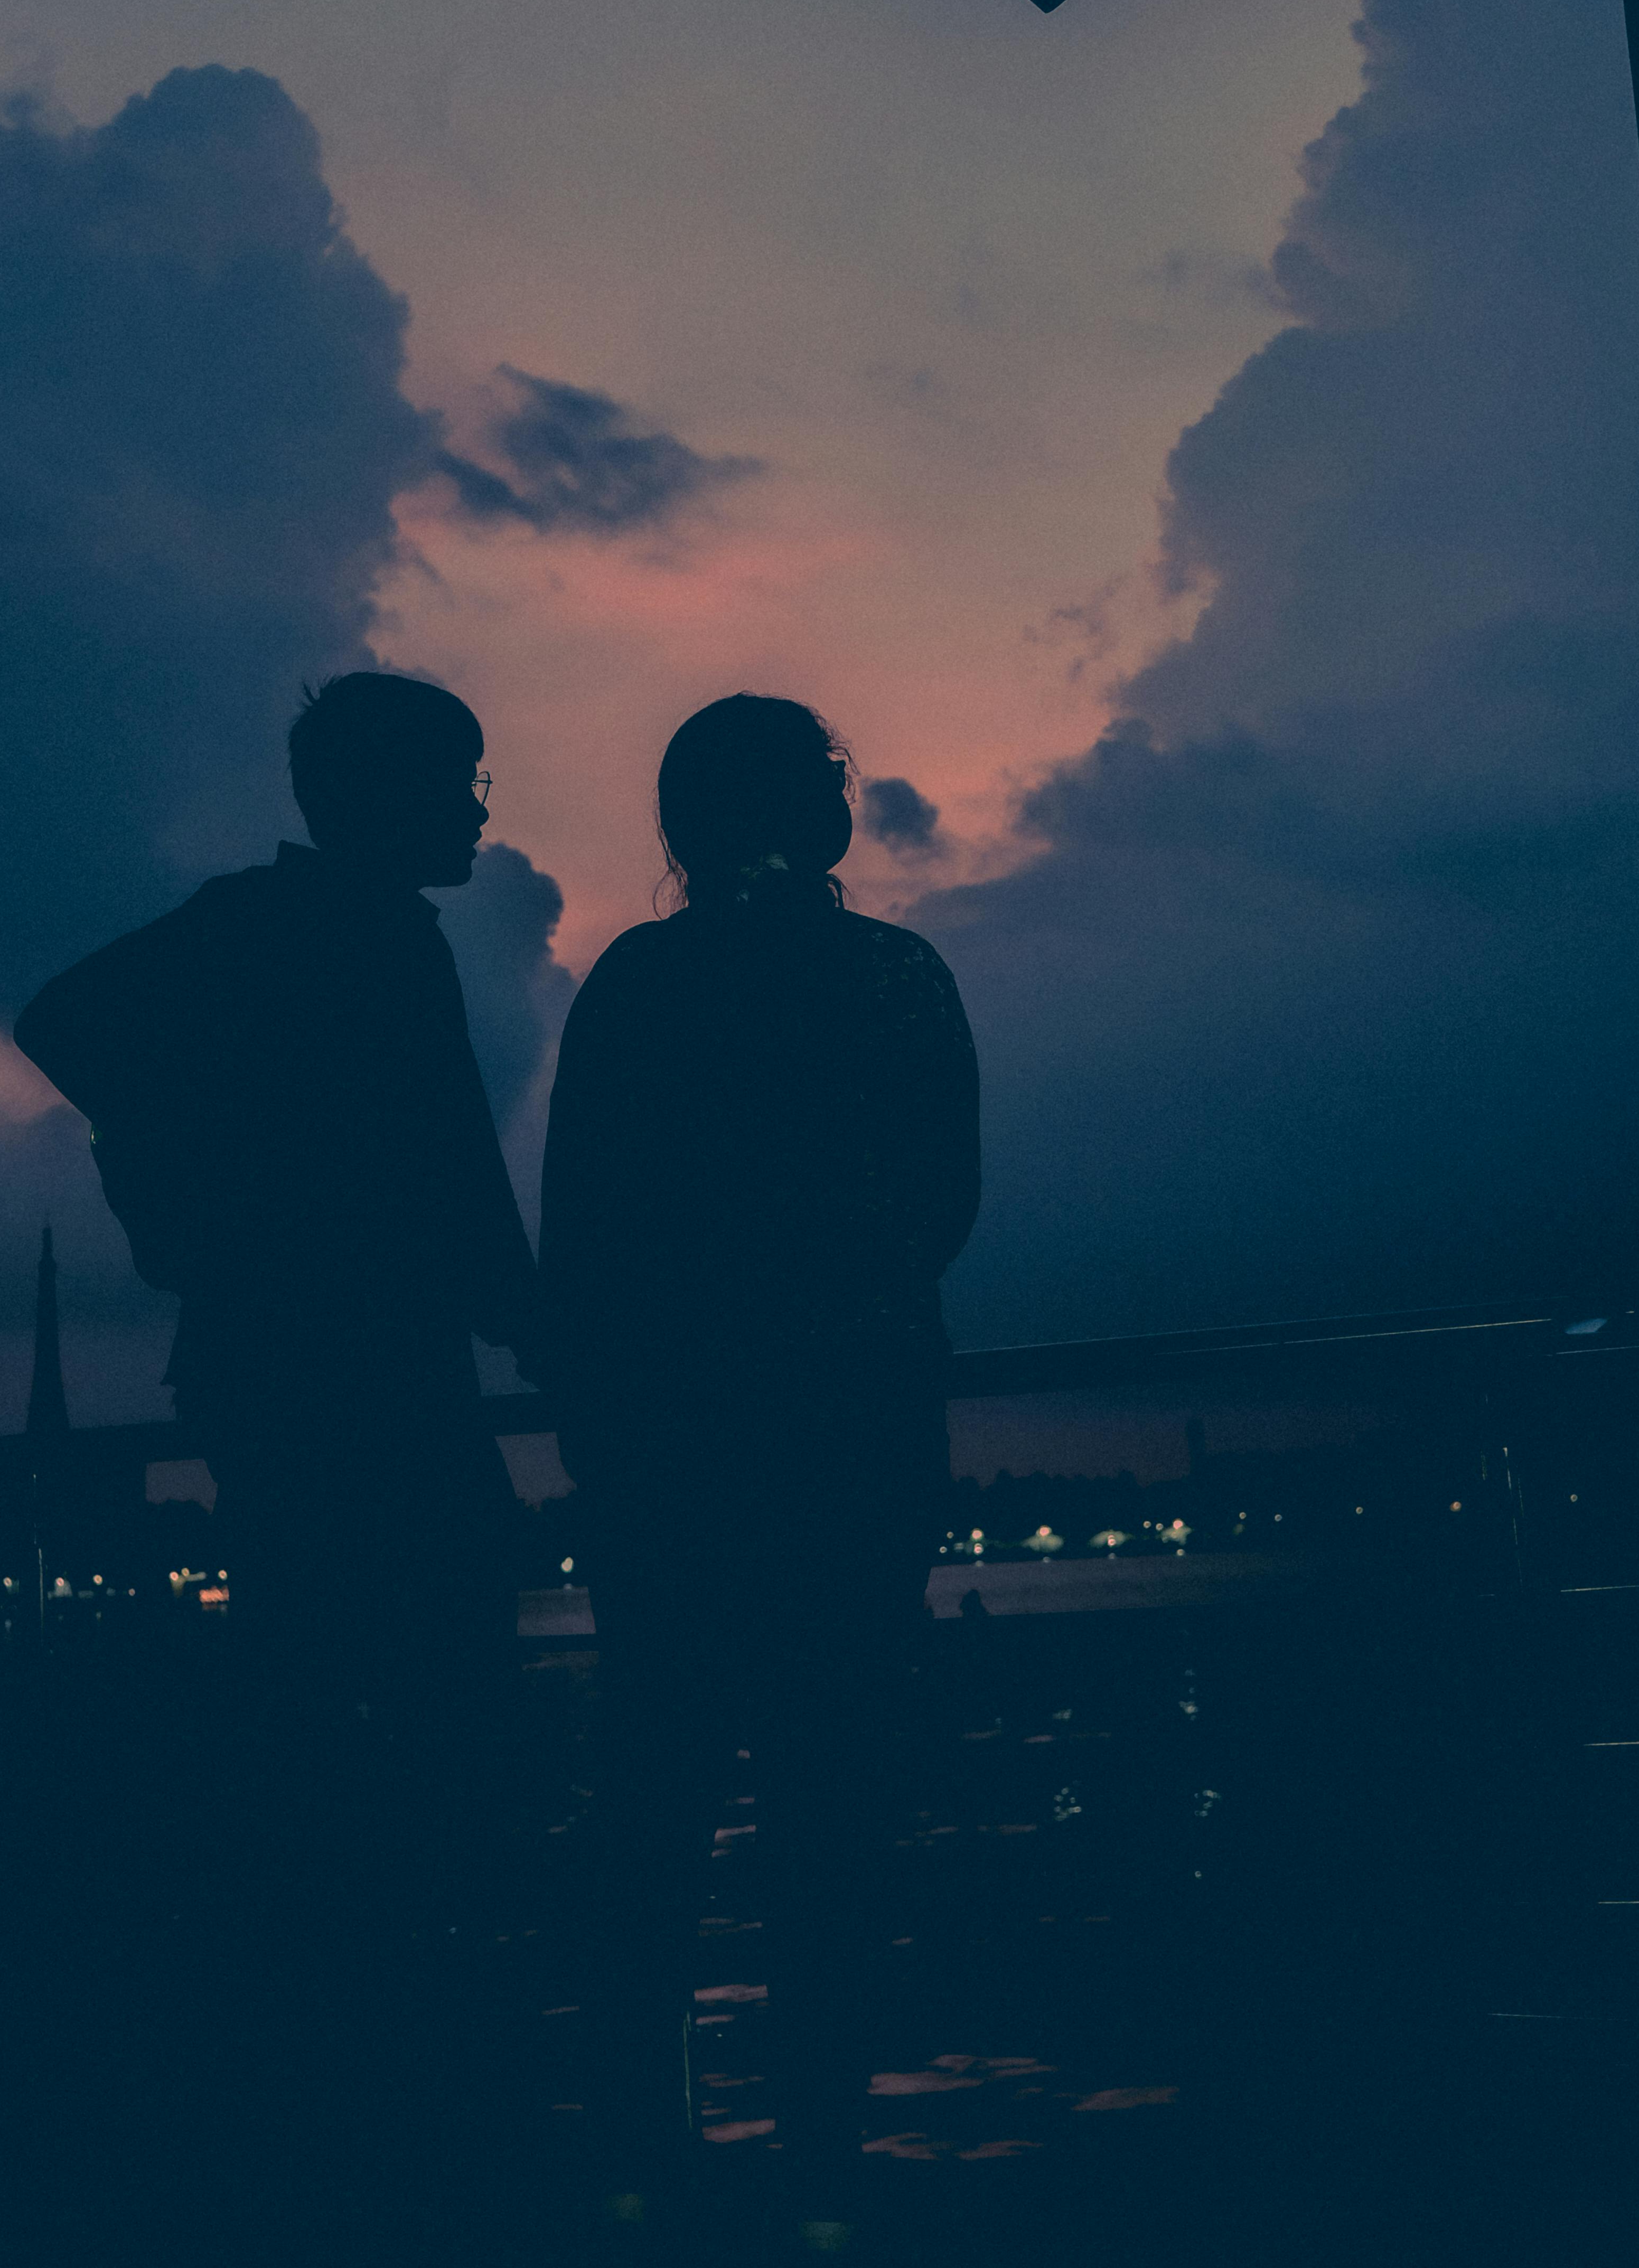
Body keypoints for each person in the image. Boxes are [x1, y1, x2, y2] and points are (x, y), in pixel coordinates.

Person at [11, 672, 539, 2094]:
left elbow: (64, 1022)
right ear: (383, 794)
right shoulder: (361, 942)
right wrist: (534, 1320)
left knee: (324, 1667)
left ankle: (339, 1999)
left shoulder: (256, 925)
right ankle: (414, 2014)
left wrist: (187, 1185)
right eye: (460, 779)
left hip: (265, 1365)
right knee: (439, 1669)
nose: (481, 809)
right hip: (368, 1368)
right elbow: (456, 1179)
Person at [538, 694, 980, 2231]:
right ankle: (821, 2145)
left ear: (683, 830)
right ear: (834, 818)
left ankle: (646, 2140)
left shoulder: (638, 986)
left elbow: (578, 1239)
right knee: (830, 1804)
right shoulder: (893, 981)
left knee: (653, 1798)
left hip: (668, 1463)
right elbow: (940, 1208)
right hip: (852, 1449)